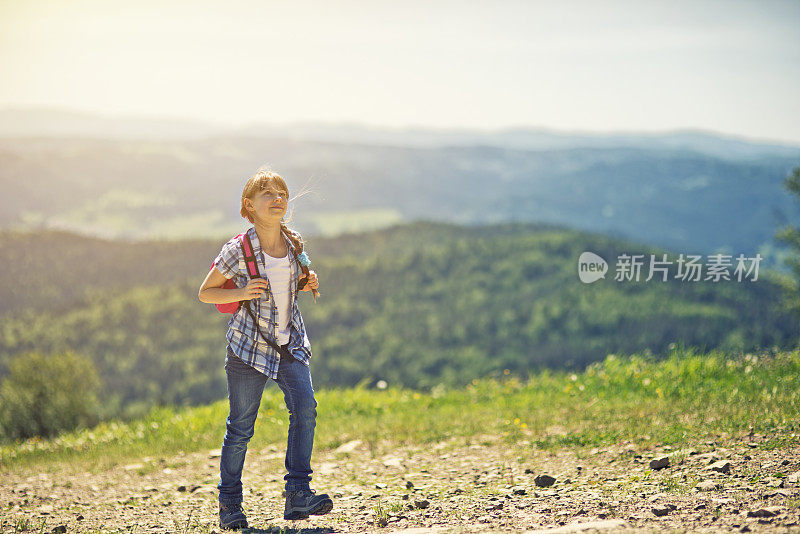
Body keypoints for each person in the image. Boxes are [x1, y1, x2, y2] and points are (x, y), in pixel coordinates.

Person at [198, 168, 333, 529]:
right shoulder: (237, 249)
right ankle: (229, 506)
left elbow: (288, 286)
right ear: (249, 206)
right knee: (241, 427)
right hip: (249, 350)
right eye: (268, 194)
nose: (278, 198)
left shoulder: (293, 242)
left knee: (305, 408)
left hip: (289, 344)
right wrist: (242, 292)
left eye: (282, 194)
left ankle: (298, 494)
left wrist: (306, 284)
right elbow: (205, 292)